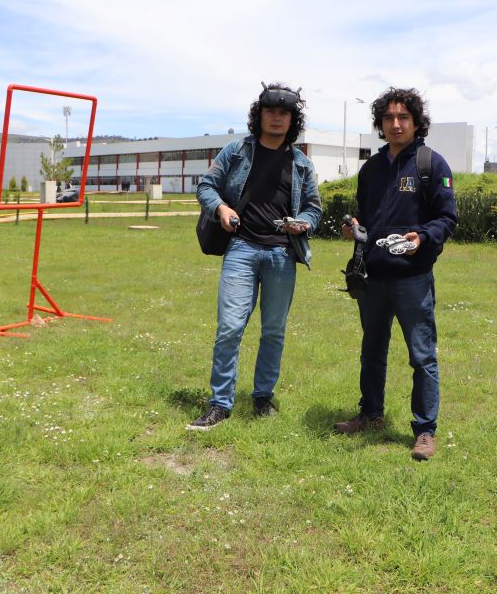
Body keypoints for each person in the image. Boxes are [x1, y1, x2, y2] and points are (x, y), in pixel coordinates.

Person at [188, 82, 322, 431]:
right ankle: (220, 403)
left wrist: (302, 224)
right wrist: (221, 209)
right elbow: (206, 186)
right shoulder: (236, 151)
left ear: (292, 119)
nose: (277, 118)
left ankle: (263, 398)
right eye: (270, 111)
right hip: (241, 250)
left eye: (284, 113)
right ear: (259, 115)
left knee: (274, 331)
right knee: (230, 328)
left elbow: (314, 210)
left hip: (281, 254)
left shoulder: (301, 163)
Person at [335, 87, 457, 460]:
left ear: (417, 122)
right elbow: (368, 220)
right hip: (372, 278)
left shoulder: (430, 164)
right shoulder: (371, 169)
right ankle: (370, 414)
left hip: (412, 279)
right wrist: (354, 227)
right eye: (388, 118)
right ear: (381, 124)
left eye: (403, 117)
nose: (396, 123)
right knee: (372, 351)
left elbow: (447, 217)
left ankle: (424, 431)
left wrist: (423, 237)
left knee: (422, 356)